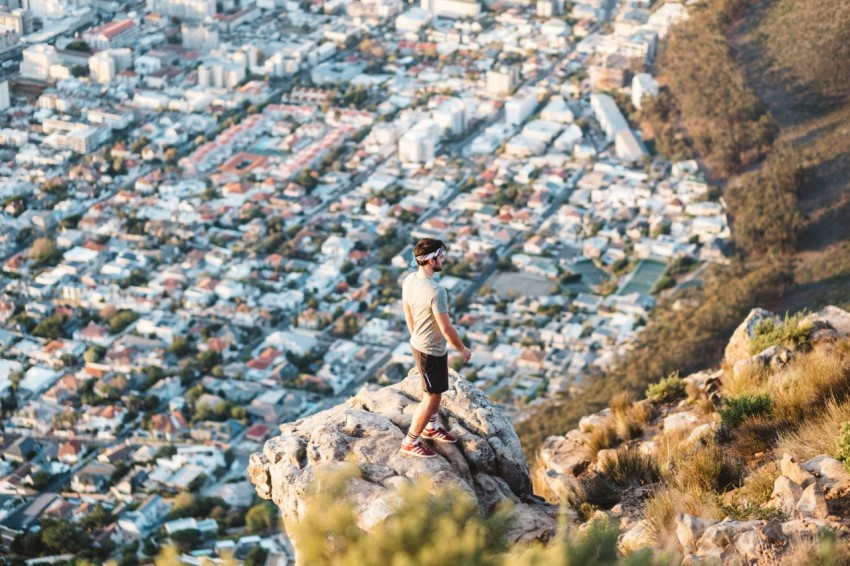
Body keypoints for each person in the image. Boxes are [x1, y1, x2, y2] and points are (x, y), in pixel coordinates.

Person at [399, 238, 472, 458]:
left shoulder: (409, 280)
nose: (444, 259)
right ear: (431, 260)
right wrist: (461, 349)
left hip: (426, 346)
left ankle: (430, 428)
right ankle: (410, 442)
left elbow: (407, 311)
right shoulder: (436, 291)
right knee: (430, 397)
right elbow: (446, 327)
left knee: (436, 393)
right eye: (441, 256)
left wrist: (415, 334)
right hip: (429, 350)